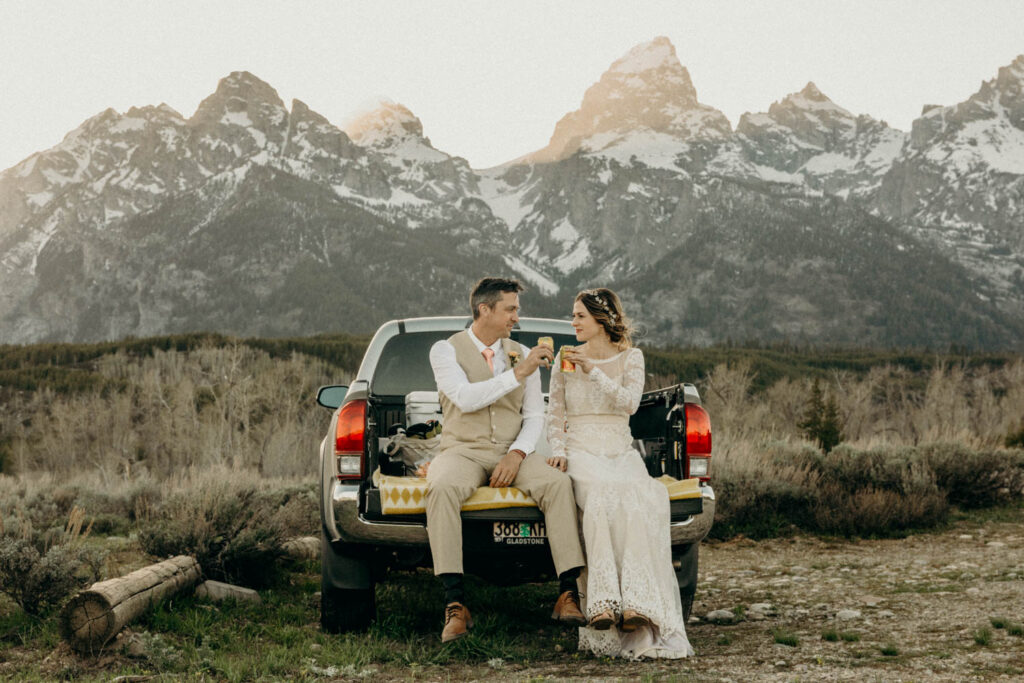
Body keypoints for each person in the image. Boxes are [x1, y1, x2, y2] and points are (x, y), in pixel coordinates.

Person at [427, 277, 587, 642]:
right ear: (485, 310)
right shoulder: (445, 350)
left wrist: (517, 454)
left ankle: (567, 594)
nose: (517, 317)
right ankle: (455, 605)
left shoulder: (521, 350)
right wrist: (520, 371)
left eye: (517, 309)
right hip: (462, 450)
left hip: (513, 450)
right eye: (510, 309)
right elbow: (465, 398)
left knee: (558, 484)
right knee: (441, 487)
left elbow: (534, 416)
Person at [546, 288, 693, 659]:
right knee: (600, 496)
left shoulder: (632, 357)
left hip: (618, 447)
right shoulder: (565, 359)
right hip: (581, 448)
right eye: (573, 315)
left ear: (601, 320)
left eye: (579, 316)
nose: (573, 322)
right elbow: (555, 414)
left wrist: (593, 370)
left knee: (639, 497)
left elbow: (628, 404)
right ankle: (602, 605)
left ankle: (637, 606)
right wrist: (560, 452)